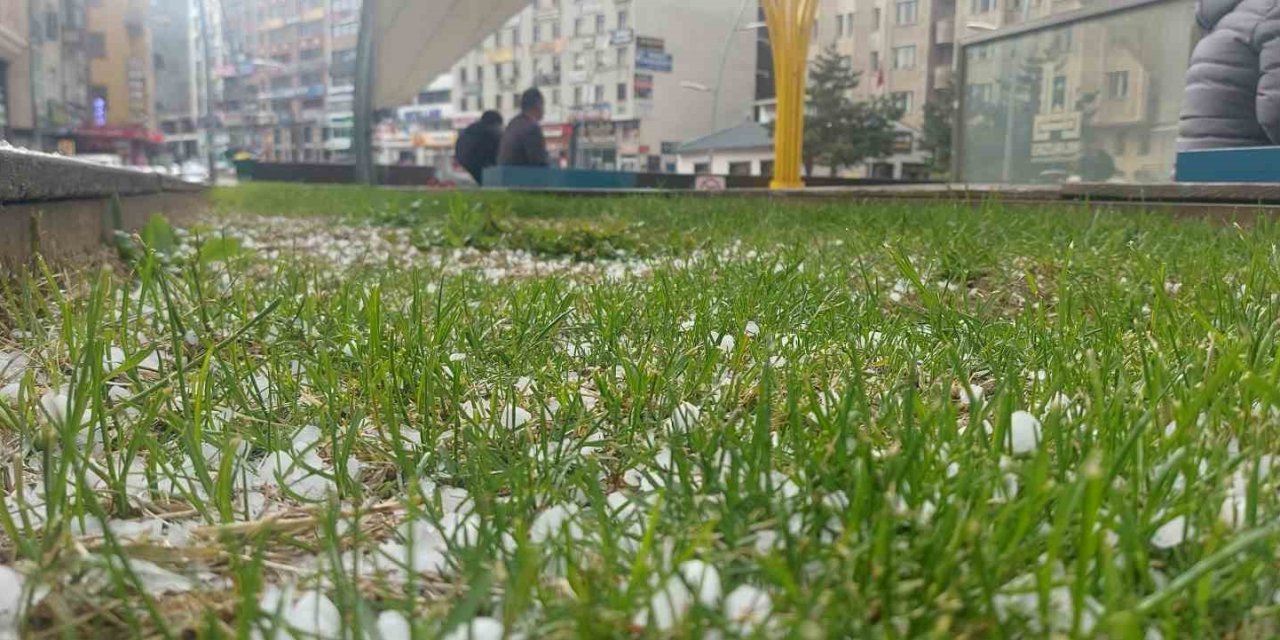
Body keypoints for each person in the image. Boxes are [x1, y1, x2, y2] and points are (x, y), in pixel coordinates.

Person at [1179, 0, 1280, 150]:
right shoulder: (1273, 12)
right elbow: (1276, 112)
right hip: (1247, 166)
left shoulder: (1228, 22)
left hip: (1201, 165)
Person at [498, 89, 551, 167]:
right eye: (543, 105)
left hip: (507, 176)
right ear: (538, 105)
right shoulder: (532, 129)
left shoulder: (513, 124)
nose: (544, 110)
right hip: (524, 176)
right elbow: (540, 163)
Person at [455, 111, 504, 185]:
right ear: (496, 123)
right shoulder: (491, 132)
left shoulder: (469, 130)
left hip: (465, 161)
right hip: (481, 163)